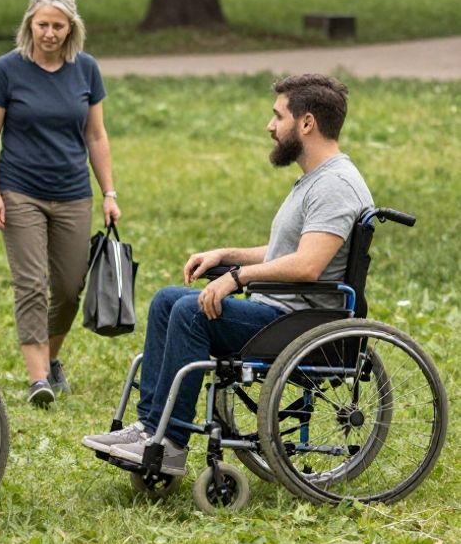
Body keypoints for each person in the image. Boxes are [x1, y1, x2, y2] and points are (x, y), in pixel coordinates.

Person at [82, 74, 372, 478]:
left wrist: (236, 278)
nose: (270, 126)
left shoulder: (335, 186)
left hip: (300, 324)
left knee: (191, 312)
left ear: (306, 123)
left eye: (278, 116)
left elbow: (308, 266)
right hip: (282, 312)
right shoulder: (316, 180)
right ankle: (149, 427)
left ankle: (169, 443)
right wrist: (226, 255)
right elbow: (286, 252)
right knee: (168, 299)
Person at [0, 0, 120, 408]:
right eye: (43, 24)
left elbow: (96, 135)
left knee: (70, 286)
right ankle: (38, 379)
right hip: (20, 190)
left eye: (58, 25)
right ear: (30, 24)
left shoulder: (86, 70)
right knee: (31, 284)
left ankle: (51, 358)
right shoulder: (7, 69)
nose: (50, 33)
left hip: (73, 193)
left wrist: (108, 192)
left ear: (71, 27)